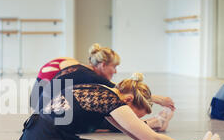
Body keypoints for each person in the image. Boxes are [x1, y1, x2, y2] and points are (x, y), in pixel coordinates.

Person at [11, 73, 220, 140]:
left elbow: (138, 136)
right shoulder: (111, 101)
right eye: (137, 115)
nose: (136, 119)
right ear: (128, 100)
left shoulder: (103, 92)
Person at [31, 44, 175, 132]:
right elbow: (123, 92)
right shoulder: (91, 77)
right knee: (111, 110)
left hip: (43, 111)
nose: (116, 71)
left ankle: (152, 124)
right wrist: (157, 99)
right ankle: (153, 123)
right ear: (103, 65)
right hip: (46, 115)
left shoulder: (82, 70)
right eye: (114, 67)